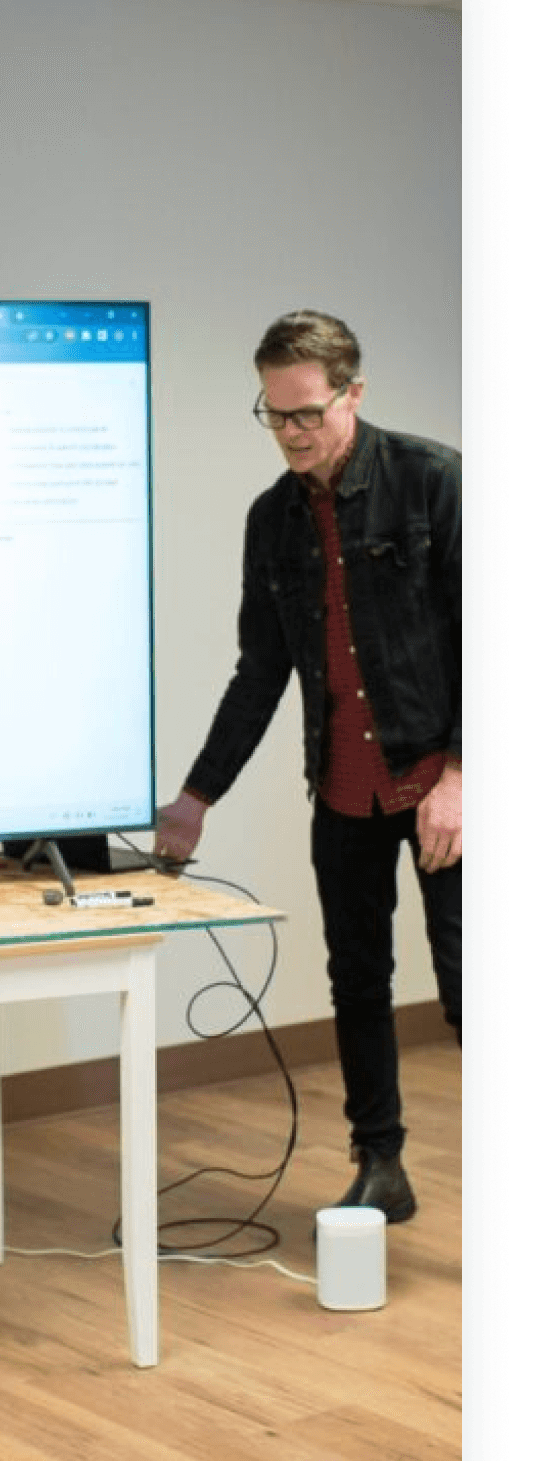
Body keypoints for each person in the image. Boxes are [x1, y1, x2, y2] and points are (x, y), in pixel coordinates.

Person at [154, 310, 461, 1226]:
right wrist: (197, 795)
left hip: (441, 782)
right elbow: (262, 669)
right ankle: (380, 1164)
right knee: (357, 981)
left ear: (352, 394)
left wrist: (459, 780)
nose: (291, 433)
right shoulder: (272, 521)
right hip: (344, 789)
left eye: (307, 413)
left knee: (471, 987)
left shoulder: (432, 481)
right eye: (274, 414)